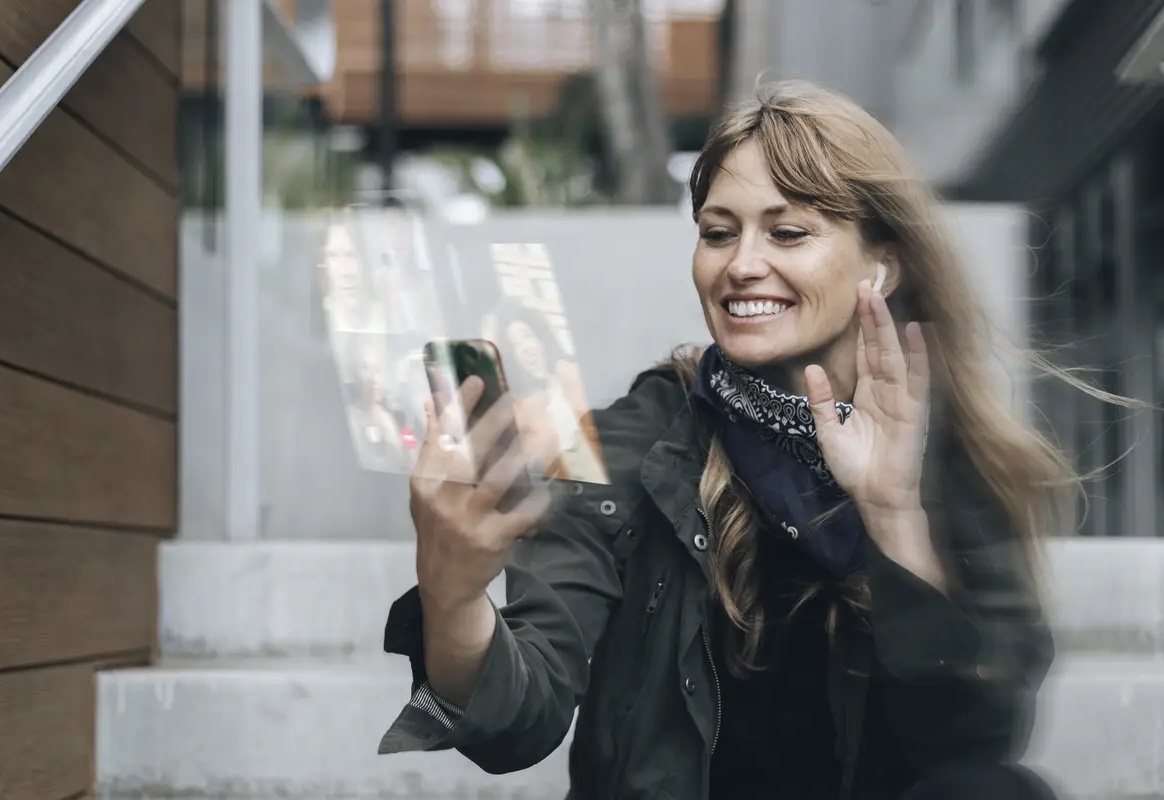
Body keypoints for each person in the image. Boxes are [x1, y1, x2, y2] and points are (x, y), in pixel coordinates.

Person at [379, 81, 1076, 799]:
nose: (741, 264)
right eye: (718, 232)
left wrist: (894, 514)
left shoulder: (947, 450)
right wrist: (454, 593)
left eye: (787, 232)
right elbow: (518, 721)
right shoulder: (638, 443)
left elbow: (976, 738)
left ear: (881, 264)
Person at [485, 301, 609, 484]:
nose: (525, 349)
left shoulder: (567, 371)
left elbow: (594, 429)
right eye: (515, 346)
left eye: (527, 336)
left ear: (540, 337)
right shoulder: (526, 400)